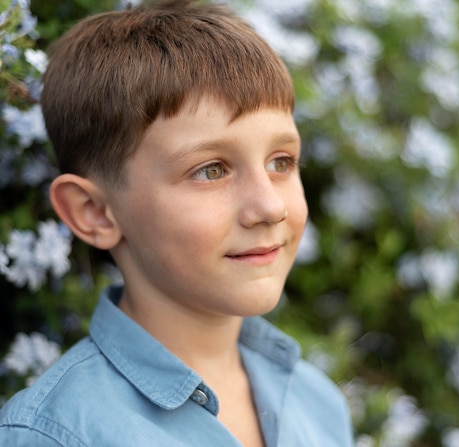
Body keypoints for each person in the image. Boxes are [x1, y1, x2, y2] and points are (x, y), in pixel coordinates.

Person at [0, 0, 354, 445]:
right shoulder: (56, 434)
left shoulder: (317, 402)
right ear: (95, 212)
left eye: (281, 161)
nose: (270, 207)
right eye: (211, 170)